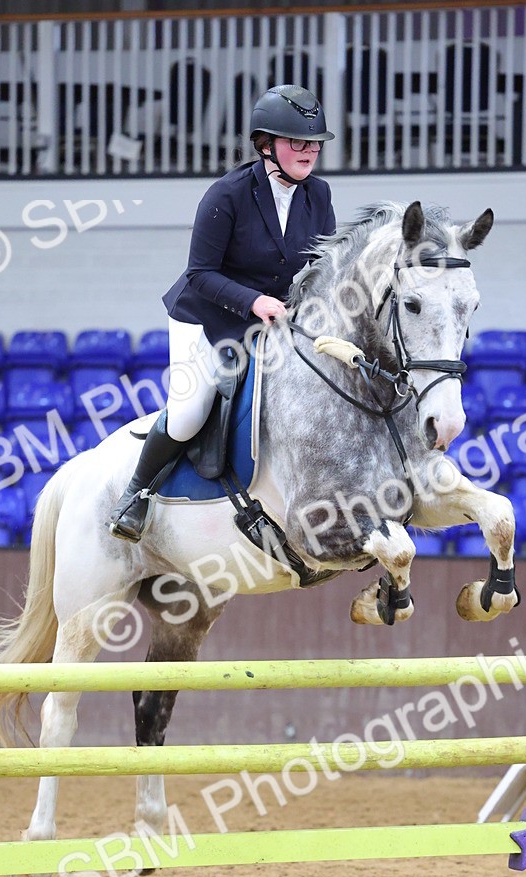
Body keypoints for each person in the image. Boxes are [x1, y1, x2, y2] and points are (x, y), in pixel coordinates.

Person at [108, 83, 337, 542]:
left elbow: (322, 266)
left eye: (314, 143)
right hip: (209, 318)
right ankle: (136, 494)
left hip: (275, 323)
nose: (309, 151)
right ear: (266, 144)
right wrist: (253, 301)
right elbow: (199, 274)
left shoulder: (320, 195)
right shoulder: (227, 194)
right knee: (190, 411)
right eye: (298, 142)